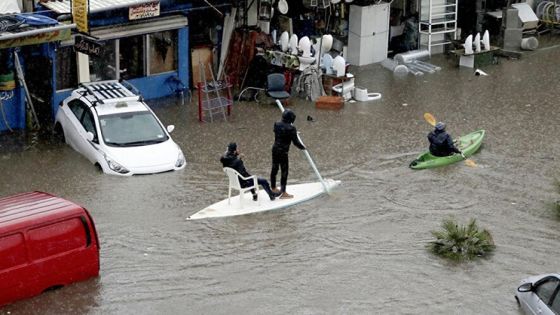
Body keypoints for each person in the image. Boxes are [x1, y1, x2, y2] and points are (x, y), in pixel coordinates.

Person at [270, 109, 306, 199]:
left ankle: (273, 187)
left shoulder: (276, 124)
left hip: (275, 149)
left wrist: (292, 133)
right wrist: (303, 147)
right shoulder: (291, 128)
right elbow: (296, 142)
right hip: (283, 151)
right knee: (284, 172)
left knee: (274, 168)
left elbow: (279, 132)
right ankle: (283, 192)